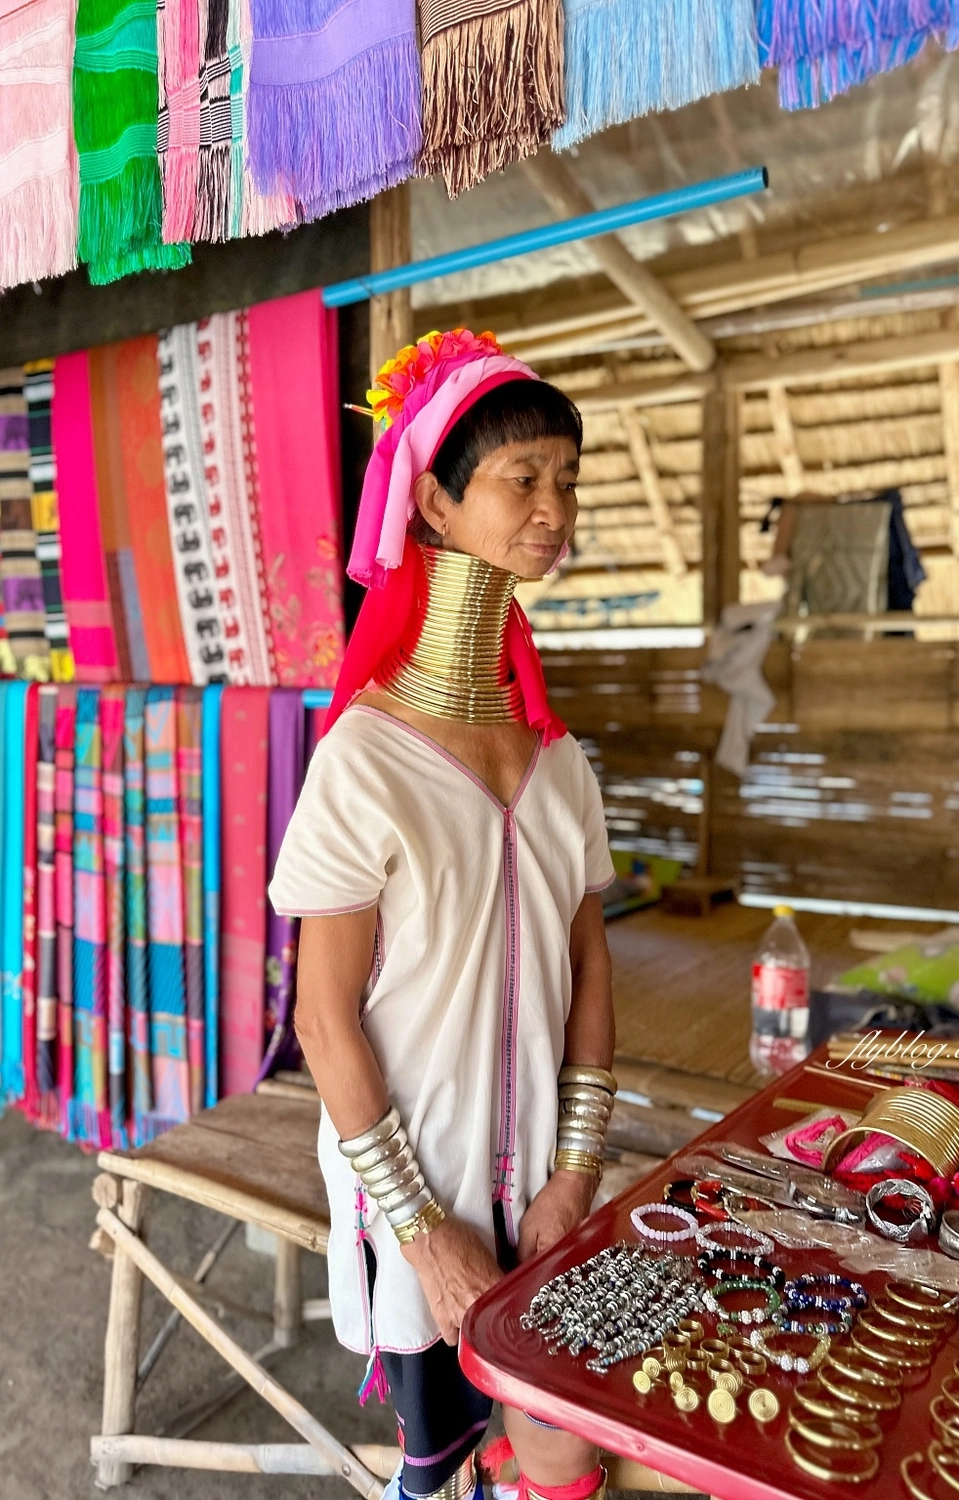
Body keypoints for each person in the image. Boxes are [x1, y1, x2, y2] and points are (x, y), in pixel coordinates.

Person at [270, 329, 617, 1500]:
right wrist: (423, 1231)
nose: (552, 506)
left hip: (547, 1193)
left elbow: (589, 972)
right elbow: (323, 1024)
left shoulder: (559, 765)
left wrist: (577, 1169)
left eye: (566, 478)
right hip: (417, 1190)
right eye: (523, 478)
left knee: (562, 1445)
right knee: (448, 1450)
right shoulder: (364, 760)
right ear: (431, 497)